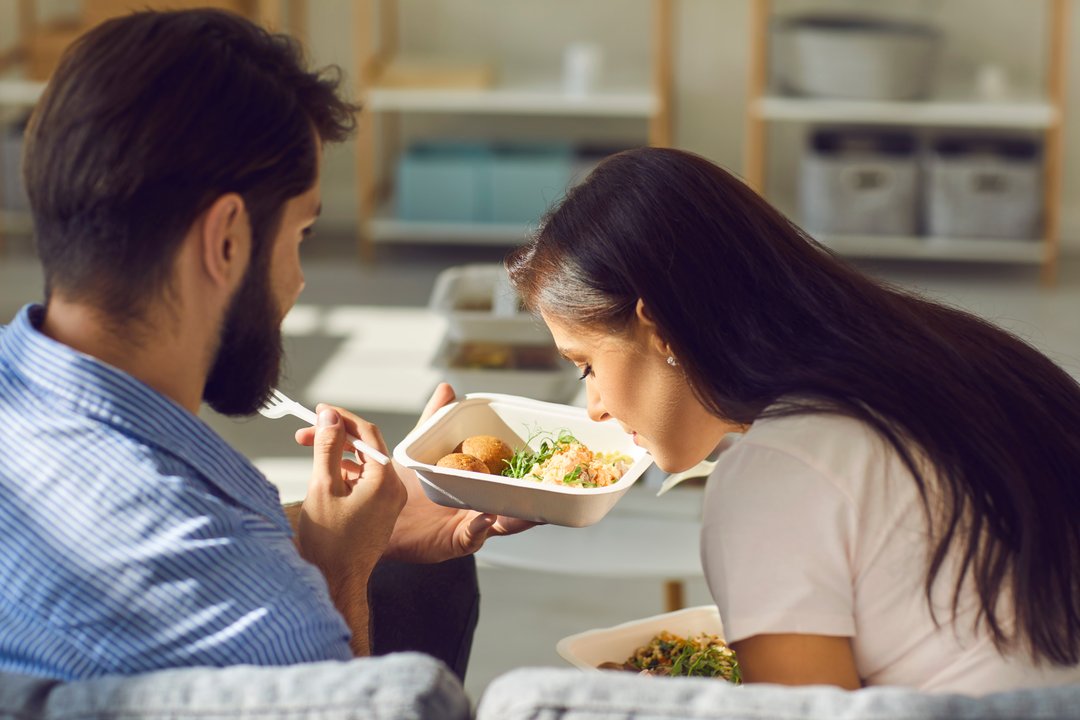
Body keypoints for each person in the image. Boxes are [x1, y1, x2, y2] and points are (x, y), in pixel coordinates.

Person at [0, 9, 528, 680]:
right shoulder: (260, 618)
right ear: (226, 240)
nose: (300, 281)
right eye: (300, 234)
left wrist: (330, 534)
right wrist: (340, 571)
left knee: (420, 581)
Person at [504, 146, 1080, 695]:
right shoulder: (946, 354)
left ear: (659, 328)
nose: (596, 408)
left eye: (586, 366)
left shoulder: (771, 480)